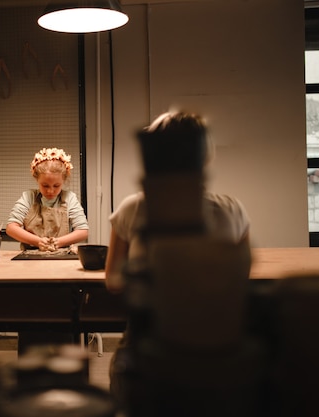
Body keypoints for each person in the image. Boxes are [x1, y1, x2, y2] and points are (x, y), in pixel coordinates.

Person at [104, 110, 251, 404]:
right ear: (205, 156)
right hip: (217, 351)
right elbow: (241, 279)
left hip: (147, 349)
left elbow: (114, 281)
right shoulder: (233, 209)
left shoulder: (132, 208)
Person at [6, 147, 89, 251]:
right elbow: (11, 228)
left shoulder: (69, 198)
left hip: (62, 255)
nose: (50, 191)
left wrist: (59, 242)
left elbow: (83, 231)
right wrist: (37, 241)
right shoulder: (28, 197)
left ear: (63, 181)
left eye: (56, 186)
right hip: (30, 257)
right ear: (37, 180)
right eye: (45, 185)